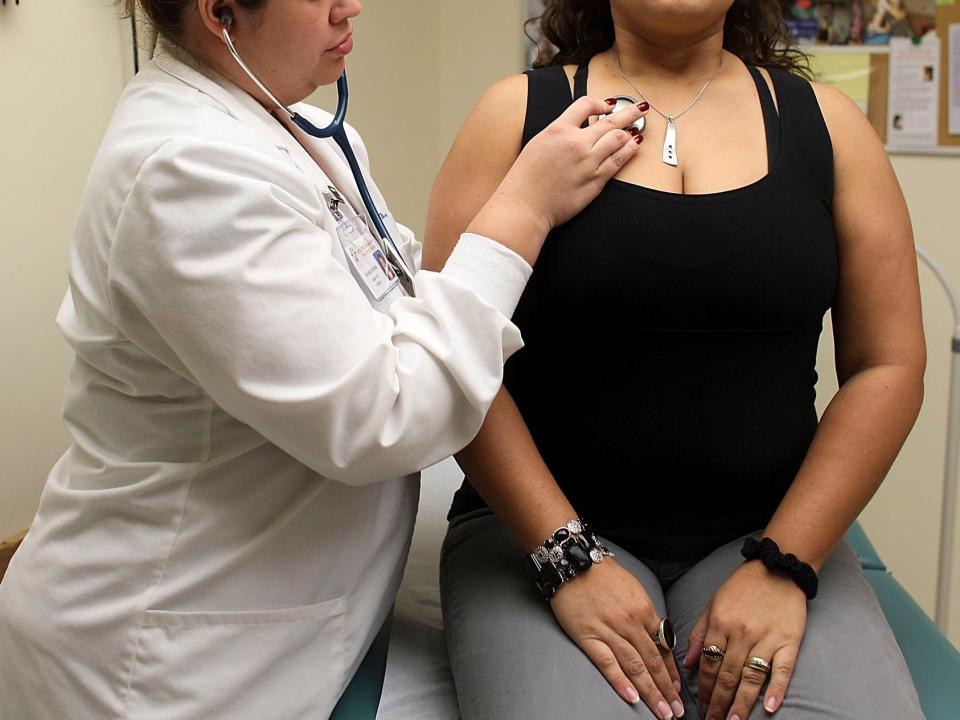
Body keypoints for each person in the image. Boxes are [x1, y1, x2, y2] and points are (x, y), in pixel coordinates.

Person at [0, 1, 645, 717]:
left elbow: (400, 297)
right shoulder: (185, 168)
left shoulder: (298, 129)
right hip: (164, 657)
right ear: (221, 13)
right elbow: (385, 417)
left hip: (297, 610)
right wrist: (523, 207)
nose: (352, 5)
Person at [424, 1, 927, 719]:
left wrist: (786, 563)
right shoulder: (517, 115)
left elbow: (888, 365)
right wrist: (566, 559)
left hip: (766, 532)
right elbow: (454, 353)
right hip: (539, 535)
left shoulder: (831, 126)